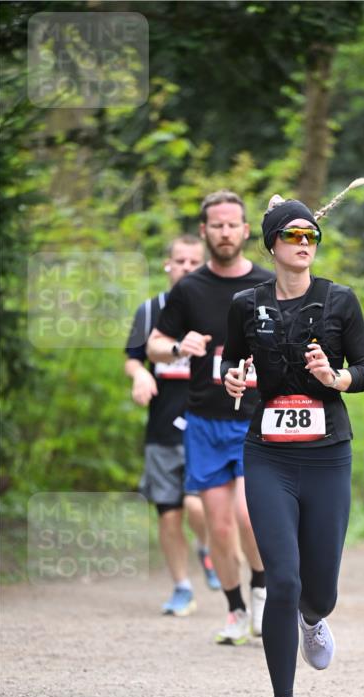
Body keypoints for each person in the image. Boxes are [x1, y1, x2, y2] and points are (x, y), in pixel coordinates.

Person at [222, 196, 364, 697]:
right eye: (293, 237)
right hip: (269, 454)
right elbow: (229, 360)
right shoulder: (247, 304)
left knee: (320, 590)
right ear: (272, 244)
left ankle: (316, 619)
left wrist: (336, 379)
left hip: (328, 454)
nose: (304, 245)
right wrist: (233, 381)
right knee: (282, 579)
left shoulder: (340, 301)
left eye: (311, 237)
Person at [147, 191, 272, 644]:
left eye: (232, 224)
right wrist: (181, 347)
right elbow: (155, 345)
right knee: (218, 526)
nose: (224, 232)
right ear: (205, 232)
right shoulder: (190, 289)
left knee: (248, 516)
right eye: (215, 225)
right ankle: (236, 609)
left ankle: (262, 590)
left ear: (244, 230)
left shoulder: (267, 285)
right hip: (204, 421)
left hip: (255, 421)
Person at [125, 234, 221, 617]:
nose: (185, 267)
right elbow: (133, 358)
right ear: (168, 265)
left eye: (193, 262)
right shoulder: (150, 312)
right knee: (168, 511)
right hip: (163, 423)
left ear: (204, 265)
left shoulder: (218, 306)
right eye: (179, 261)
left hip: (207, 420)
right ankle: (182, 587)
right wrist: (139, 376)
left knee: (197, 503)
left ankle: (207, 547)